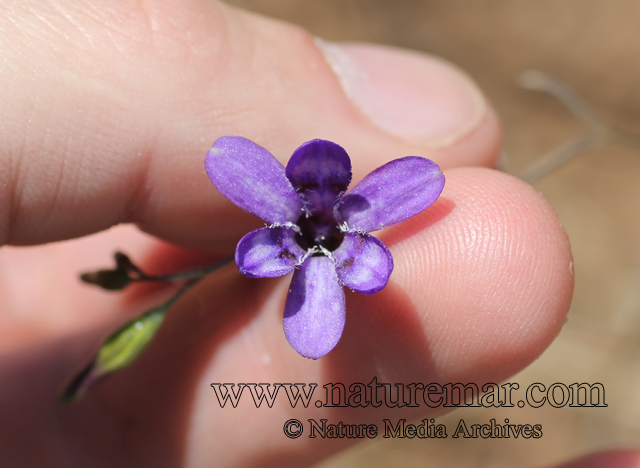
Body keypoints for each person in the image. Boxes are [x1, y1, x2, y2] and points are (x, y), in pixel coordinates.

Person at [0, 0, 632, 466]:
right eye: (313, 228)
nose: (320, 232)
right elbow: (233, 182)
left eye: (322, 228)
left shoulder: (348, 211)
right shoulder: (261, 200)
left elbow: (409, 195)